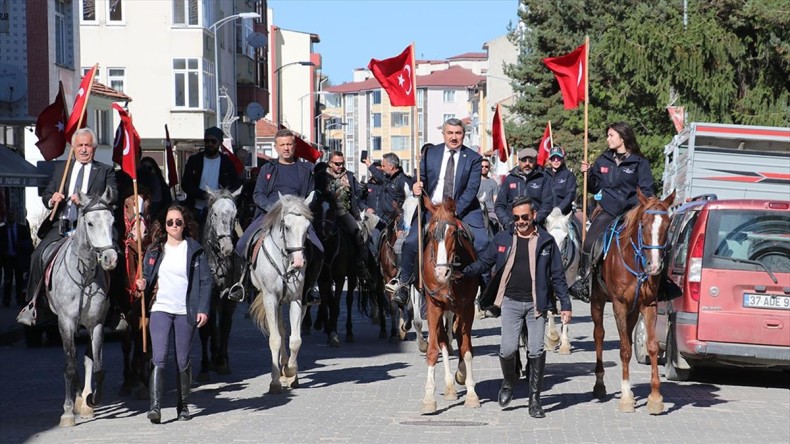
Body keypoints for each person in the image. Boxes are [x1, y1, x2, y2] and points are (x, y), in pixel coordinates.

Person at [463, 196, 572, 417]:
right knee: (508, 349)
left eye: (524, 217)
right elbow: (485, 262)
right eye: (516, 218)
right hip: (511, 303)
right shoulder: (503, 238)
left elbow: (558, 276)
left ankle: (534, 400)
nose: (520, 221)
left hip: (536, 305)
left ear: (533, 215)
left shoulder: (546, 241)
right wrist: (462, 272)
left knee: (536, 350)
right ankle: (509, 382)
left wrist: (566, 305)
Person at [19, 128, 118, 326]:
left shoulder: (105, 170)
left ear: (94, 148)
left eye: (87, 145)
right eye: (79, 145)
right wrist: (52, 198)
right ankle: (35, 305)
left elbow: (113, 195)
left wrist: (86, 201)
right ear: (73, 148)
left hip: (92, 230)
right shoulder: (61, 169)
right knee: (37, 256)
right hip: (62, 225)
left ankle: (115, 308)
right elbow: (47, 194)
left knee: (115, 258)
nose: (83, 149)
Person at [391, 118, 490, 308]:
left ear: (464, 134)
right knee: (411, 241)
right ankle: (403, 284)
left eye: (458, 133)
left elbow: (471, 189)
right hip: (432, 207)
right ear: (443, 134)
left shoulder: (474, 158)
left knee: (483, 242)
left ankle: (486, 289)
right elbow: (422, 178)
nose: (454, 137)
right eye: (450, 133)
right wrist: (417, 186)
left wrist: (453, 212)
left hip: (464, 208)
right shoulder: (430, 153)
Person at [136, 204, 211, 423]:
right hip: (160, 308)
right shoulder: (155, 249)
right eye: (170, 222)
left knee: (183, 359)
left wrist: (203, 309)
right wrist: (142, 283)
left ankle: (183, 405)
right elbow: (147, 277)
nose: (174, 226)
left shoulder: (195, 250)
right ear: (164, 225)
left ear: (185, 223)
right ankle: (155, 407)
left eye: (178, 222)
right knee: (159, 357)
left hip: (185, 309)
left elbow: (206, 282)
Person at [234, 129, 323, 304]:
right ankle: (242, 283)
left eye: (289, 144)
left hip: (296, 216)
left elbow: (312, 194)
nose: (286, 148)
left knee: (319, 248)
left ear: (295, 146)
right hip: (269, 214)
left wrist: (302, 209)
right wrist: (274, 208)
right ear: (276, 147)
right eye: (282, 145)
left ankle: (311, 287)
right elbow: (258, 195)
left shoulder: (305, 170)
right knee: (242, 243)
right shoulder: (267, 168)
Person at [569, 122, 655, 301]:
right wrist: (589, 173)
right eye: (608, 135)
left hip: (632, 212)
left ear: (622, 138)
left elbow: (647, 190)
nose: (608, 139)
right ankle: (585, 281)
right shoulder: (603, 160)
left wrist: (640, 209)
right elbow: (594, 187)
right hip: (608, 210)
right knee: (589, 242)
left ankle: (658, 283)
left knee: (654, 241)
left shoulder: (640, 162)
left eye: (611, 135)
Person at [317, 151, 370, 279]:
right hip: (325, 211)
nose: (340, 166)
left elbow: (357, 194)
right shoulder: (321, 176)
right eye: (337, 164)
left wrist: (362, 189)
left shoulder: (350, 176)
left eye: (342, 163)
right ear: (330, 163)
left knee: (357, 231)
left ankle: (360, 263)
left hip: (343, 211)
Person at [180, 126, 242, 223]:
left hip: (220, 210)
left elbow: (235, 184)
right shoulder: (194, 160)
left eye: (213, 141)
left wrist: (222, 196)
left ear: (220, 143)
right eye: (207, 141)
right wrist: (204, 195)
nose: (209, 144)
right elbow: (185, 184)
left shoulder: (227, 162)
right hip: (196, 208)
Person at [495, 147, 553, 231]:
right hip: (512, 227)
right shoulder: (510, 179)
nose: (527, 163)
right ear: (519, 161)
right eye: (524, 160)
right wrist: (508, 223)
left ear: (536, 161)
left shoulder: (543, 178)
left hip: (536, 227)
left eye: (531, 161)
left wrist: (535, 220)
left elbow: (547, 204)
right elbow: (499, 205)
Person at [1, 211, 33, 307]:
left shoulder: (22, 228)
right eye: (9, 215)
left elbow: (29, 241)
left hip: (19, 258)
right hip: (7, 258)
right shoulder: (2, 230)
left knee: (19, 280)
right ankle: (6, 300)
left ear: (15, 216)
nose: (11, 217)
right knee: (8, 279)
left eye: (12, 215)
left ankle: (20, 300)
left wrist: (23, 245)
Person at [544, 146, 577, 216]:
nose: (556, 160)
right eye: (553, 158)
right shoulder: (543, 175)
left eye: (558, 158)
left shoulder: (569, 175)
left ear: (562, 159)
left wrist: (559, 209)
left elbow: (571, 194)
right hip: (546, 214)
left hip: (564, 214)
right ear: (550, 160)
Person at [478, 157, 499, 226]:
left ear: (489, 168)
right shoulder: (474, 182)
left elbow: (495, 199)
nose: (484, 168)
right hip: (477, 211)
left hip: (490, 211)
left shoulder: (493, 182)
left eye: (486, 166)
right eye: (482, 166)